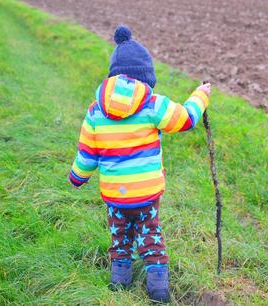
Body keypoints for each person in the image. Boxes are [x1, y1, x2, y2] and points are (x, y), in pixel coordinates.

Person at [68, 25, 211, 303]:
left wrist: (77, 177)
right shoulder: (152, 104)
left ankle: (119, 282)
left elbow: (87, 154)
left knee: (119, 237)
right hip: (146, 194)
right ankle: (158, 289)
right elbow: (185, 119)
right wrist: (200, 96)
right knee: (150, 236)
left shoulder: (96, 110)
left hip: (114, 195)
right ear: (146, 76)